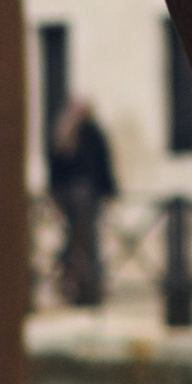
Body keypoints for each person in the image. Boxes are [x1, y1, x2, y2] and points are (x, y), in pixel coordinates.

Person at [48, 92, 116, 308]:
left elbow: (101, 163)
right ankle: (84, 289)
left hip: (78, 195)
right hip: (81, 196)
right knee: (83, 242)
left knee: (79, 242)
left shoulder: (79, 132)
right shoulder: (72, 133)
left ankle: (79, 287)